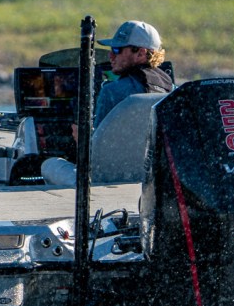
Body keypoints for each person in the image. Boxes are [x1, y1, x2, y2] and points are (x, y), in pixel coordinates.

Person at [40, 20, 173, 185]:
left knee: (49, 164)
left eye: (117, 50)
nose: (111, 56)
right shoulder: (170, 89)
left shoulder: (111, 91)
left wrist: (81, 138)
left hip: (105, 178)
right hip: (151, 178)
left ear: (140, 53)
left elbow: (94, 152)